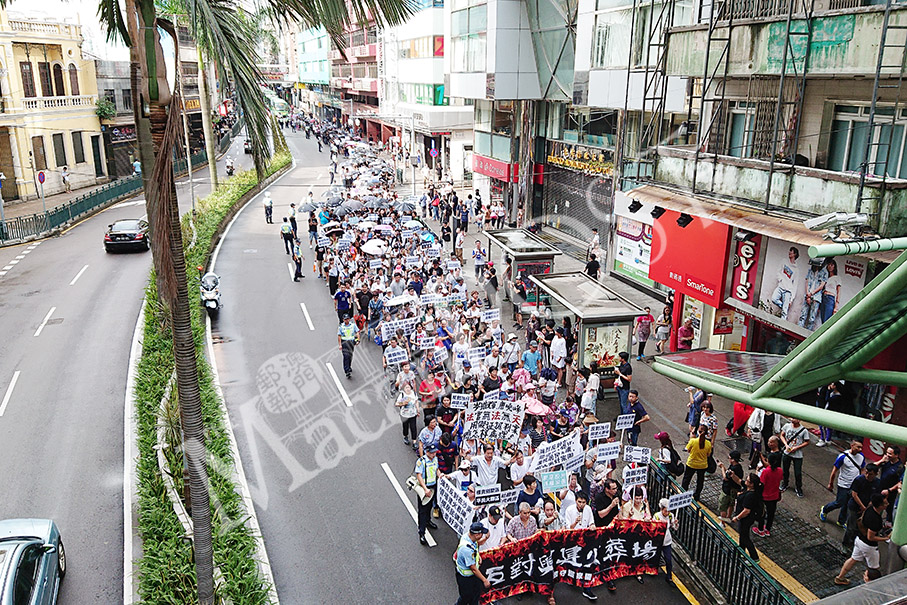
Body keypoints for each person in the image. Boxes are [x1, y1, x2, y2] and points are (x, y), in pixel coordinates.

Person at [834, 493, 889, 586]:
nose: (887, 504)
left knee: (853, 559)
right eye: (885, 503)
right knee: (874, 569)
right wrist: (885, 538)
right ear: (880, 506)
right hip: (869, 546)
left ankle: (840, 578)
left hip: (859, 540)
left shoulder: (870, 508)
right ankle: (870, 585)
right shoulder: (876, 520)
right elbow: (870, 537)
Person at [820, 440, 865, 527]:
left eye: (861, 447)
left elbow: (862, 469)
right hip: (843, 484)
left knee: (847, 504)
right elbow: (834, 471)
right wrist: (831, 483)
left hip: (854, 485)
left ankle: (841, 521)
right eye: (858, 447)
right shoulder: (842, 457)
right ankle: (825, 509)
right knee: (839, 502)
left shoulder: (861, 456)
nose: (860, 449)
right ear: (852, 446)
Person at [842, 463, 879, 551]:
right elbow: (854, 494)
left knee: (859, 528)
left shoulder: (877, 483)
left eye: (870, 474)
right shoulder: (859, 479)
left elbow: (874, 497)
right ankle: (845, 544)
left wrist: (866, 509)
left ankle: (854, 544)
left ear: (875, 474)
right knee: (851, 527)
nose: (867, 476)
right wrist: (862, 507)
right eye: (866, 473)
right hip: (854, 507)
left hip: (866, 508)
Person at [454, 522, 492, 604]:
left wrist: (485, 539)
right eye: (482, 533)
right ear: (477, 535)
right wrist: (485, 580)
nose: (482, 535)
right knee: (466, 597)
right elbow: (474, 569)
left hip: (473, 577)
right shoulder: (466, 549)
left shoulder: (468, 537)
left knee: (475, 595)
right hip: (466, 579)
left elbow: (475, 545)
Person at [732, 473, 764, 562]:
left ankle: (755, 557)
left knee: (745, 537)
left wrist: (737, 518)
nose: (745, 481)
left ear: (751, 484)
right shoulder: (748, 488)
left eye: (748, 480)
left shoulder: (750, 495)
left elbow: (746, 511)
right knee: (742, 535)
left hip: (746, 519)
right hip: (745, 518)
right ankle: (741, 551)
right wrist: (732, 475)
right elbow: (738, 480)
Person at [415, 444, 440, 545]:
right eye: (432, 452)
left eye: (435, 452)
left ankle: (428, 521)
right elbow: (419, 475)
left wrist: (440, 475)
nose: (434, 454)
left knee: (429, 506)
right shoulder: (421, 461)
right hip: (425, 488)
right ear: (427, 452)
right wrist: (425, 489)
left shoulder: (435, 459)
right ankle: (421, 532)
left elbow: (436, 470)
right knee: (422, 511)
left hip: (433, 486)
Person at [779, 417, 810, 497]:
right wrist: (786, 445)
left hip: (797, 455)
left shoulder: (803, 430)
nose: (793, 419)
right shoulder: (787, 426)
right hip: (787, 452)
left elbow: (807, 442)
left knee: (798, 473)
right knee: (785, 470)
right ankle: (785, 483)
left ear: (799, 420)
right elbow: (782, 435)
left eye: (795, 418)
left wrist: (797, 448)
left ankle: (798, 487)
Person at [754, 452, 783, 537]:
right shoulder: (780, 471)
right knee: (771, 514)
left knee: (761, 513)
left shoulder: (766, 472)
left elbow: (761, 484)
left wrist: (756, 471)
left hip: (764, 496)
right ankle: (767, 529)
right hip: (774, 496)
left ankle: (760, 530)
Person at [682, 425, 712, 500]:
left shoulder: (693, 441)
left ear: (698, 432)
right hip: (702, 465)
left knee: (686, 479)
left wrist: (691, 438)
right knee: (700, 481)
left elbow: (688, 450)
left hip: (691, 463)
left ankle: (683, 494)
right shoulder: (708, 443)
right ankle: (697, 495)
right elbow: (708, 454)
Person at [770, 246, 800, 320]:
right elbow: (778, 271)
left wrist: (791, 299)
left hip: (788, 291)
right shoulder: (784, 261)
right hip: (780, 287)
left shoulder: (796, 269)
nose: (789, 252)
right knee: (774, 299)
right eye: (789, 251)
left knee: (784, 312)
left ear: (795, 254)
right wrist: (781, 279)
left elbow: (795, 284)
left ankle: (781, 326)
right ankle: (783, 306)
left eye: (791, 251)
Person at [653, 498, 678, 583]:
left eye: (668, 511)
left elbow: (674, 528)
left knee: (668, 560)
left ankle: (669, 576)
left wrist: (675, 523)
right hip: (658, 542)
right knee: (656, 557)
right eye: (665, 511)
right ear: (661, 509)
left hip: (667, 541)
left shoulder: (671, 516)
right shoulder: (656, 516)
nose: (667, 513)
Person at [716, 451, 744, 523]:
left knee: (723, 506)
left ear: (733, 459)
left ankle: (722, 523)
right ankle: (728, 517)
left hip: (727, 490)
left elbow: (725, 477)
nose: (728, 459)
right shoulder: (738, 467)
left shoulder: (734, 468)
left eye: (729, 458)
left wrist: (722, 467)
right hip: (734, 490)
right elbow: (728, 473)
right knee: (731, 504)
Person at [396, 383, 419, 447]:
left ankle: (414, 441)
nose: (408, 389)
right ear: (404, 389)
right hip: (404, 415)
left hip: (413, 414)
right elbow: (397, 403)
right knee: (405, 427)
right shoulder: (402, 395)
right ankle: (405, 436)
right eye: (406, 388)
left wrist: (418, 410)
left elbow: (416, 401)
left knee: (413, 427)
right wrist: (403, 403)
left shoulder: (413, 393)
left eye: (409, 387)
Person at [337, 314, 359, 379]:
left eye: (348, 319)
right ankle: (346, 370)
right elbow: (339, 336)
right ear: (343, 320)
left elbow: (357, 332)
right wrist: (340, 345)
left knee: (350, 355)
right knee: (346, 356)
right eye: (345, 319)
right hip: (344, 342)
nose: (347, 320)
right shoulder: (341, 327)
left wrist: (358, 340)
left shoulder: (353, 325)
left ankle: (349, 366)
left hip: (351, 342)